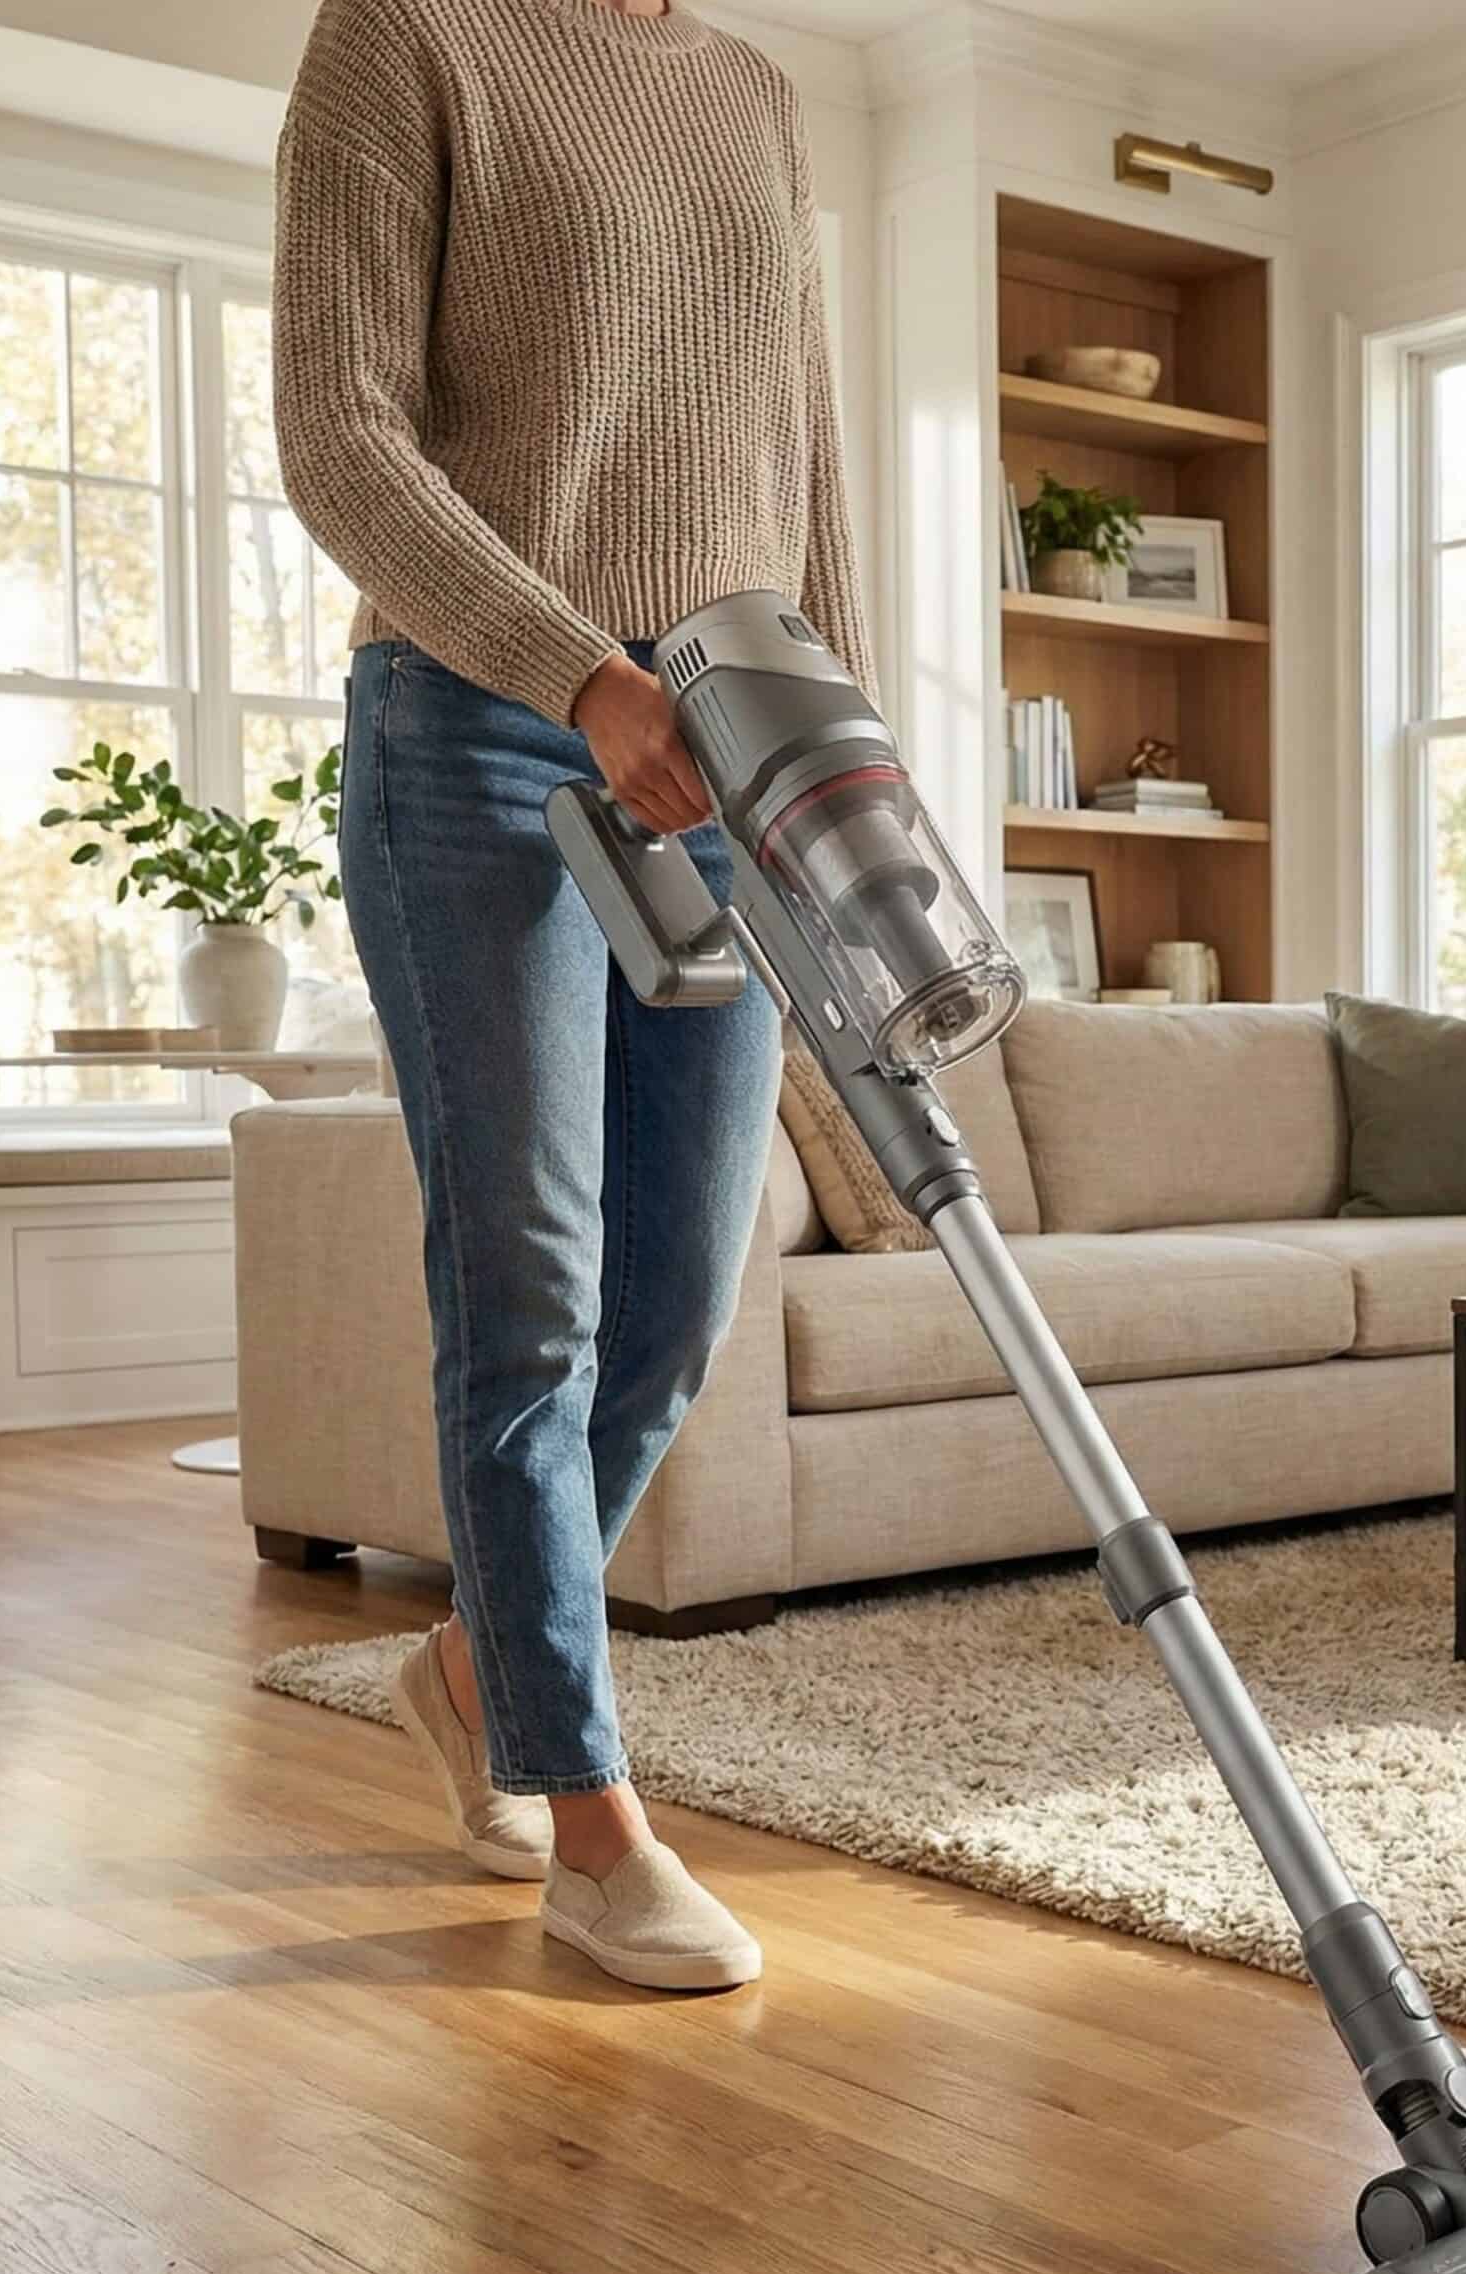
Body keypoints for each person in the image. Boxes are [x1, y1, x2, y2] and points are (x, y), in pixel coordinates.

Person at [272, 0, 871, 1989]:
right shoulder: (405, 36)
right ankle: (590, 1815)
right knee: (526, 1273)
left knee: (682, 1289)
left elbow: (812, 466)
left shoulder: (753, 94)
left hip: (717, 734)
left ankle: (470, 1668)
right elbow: (339, 437)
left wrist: (826, 764)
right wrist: (577, 676)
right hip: (477, 734)